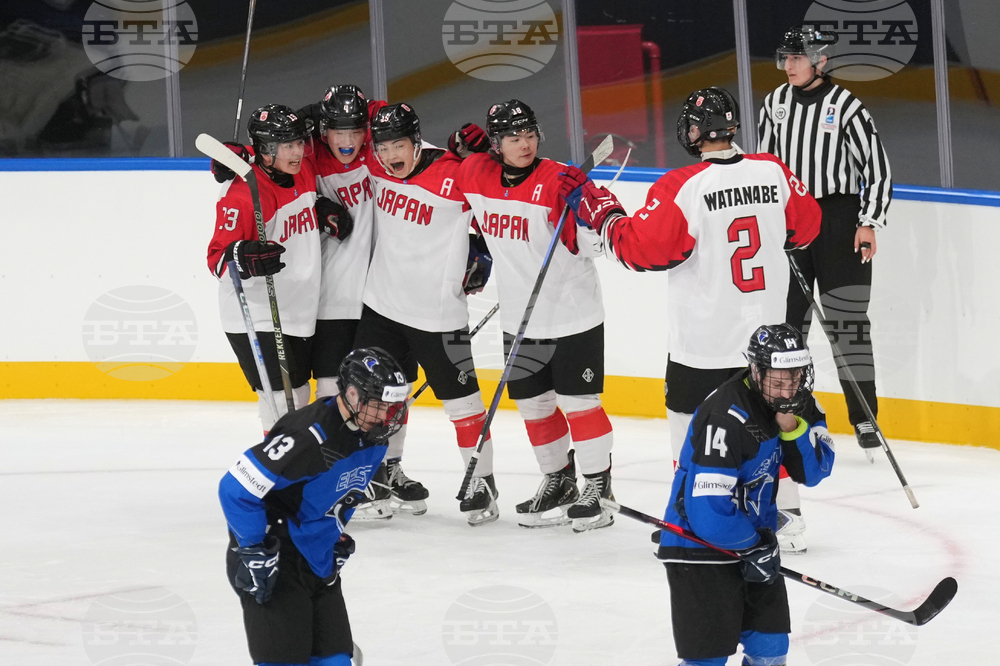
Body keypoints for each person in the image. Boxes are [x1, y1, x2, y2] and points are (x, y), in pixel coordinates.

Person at [563, 88, 820, 533]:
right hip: (768, 344)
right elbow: (807, 226)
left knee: (691, 426)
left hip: (703, 343)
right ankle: (786, 515)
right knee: (767, 424)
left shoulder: (683, 184)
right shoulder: (774, 171)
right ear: (733, 126)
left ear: (695, 131)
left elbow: (642, 251)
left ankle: (692, 512)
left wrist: (605, 214)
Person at [759, 25, 893, 550]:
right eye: (784, 56)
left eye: (797, 57)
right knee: (786, 330)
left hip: (839, 220)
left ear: (820, 58)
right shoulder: (774, 103)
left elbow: (876, 169)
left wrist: (869, 221)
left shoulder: (848, 106)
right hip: (794, 223)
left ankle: (866, 419)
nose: (789, 65)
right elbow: (765, 166)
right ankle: (791, 413)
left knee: (845, 321)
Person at [455, 100, 616, 532]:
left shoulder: (558, 179)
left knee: (579, 403)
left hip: (573, 315)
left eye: (529, 135)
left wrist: (582, 220)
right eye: (512, 138)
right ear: (495, 145)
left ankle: (599, 487)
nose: (524, 144)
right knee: (534, 405)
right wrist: (455, 147)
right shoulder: (476, 174)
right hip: (519, 319)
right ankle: (559, 481)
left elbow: (596, 242)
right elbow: (437, 178)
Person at [354, 102, 499, 526]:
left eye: (398, 144)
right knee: (374, 399)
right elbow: (339, 126)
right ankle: (381, 474)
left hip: (439, 317)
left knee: (464, 405)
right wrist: (246, 163)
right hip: (380, 306)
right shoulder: (374, 165)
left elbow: (507, 190)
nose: (388, 155)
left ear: (417, 141)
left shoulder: (456, 173)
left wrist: (484, 153)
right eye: (381, 147)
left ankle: (483, 484)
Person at [655, 324, 836, 666]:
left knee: (771, 651)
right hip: (699, 549)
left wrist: (791, 427)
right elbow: (709, 514)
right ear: (757, 371)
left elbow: (814, 472)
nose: (788, 389)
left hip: (754, 545)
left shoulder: (800, 403)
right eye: (778, 380)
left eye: (795, 378)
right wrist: (754, 544)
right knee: (707, 661)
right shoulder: (725, 416)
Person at [218, 347, 409, 666]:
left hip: (318, 561)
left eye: (393, 406)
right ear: (351, 394)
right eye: (379, 405)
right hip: (274, 558)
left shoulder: (375, 441)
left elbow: (333, 496)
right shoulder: (308, 434)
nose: (387, 416)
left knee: (335, 661)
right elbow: (235, 488)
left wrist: (331, 538)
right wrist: (253, 549)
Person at [206, 104, 321, 432]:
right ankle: (277, 475)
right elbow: (217, 259)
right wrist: (242, 256)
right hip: (256, 313)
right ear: (266, 150)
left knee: (298, 396)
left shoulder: (304, 171)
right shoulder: (243, 194)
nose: (297, 152)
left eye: (299, 143)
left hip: (296, 307)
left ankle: (289, 470)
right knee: (281, 402)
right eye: (287, 145)